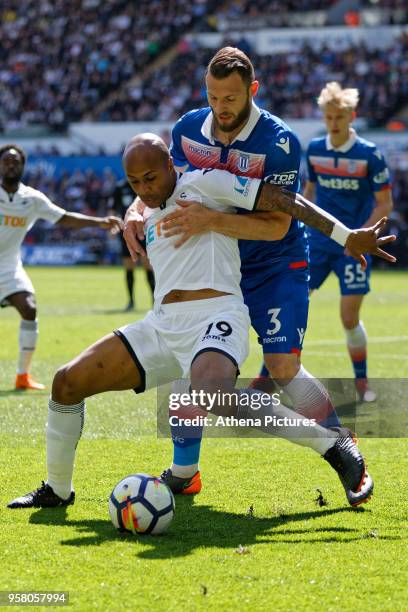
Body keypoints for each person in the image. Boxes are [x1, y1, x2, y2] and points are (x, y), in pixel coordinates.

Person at [8, 133, 393, 510]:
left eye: (151, 178)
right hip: (160, 325)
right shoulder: (143, 208)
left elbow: (282, 200)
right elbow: (140, 205)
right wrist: (132, 213)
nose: (143, 189)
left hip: (217, 315)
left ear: (171, 165)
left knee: (210, 393)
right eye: (134, 183)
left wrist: (345, 236)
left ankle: (332, 445)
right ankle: (58, 490)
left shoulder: (206, 183)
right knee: (66, 382)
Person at [123, 47, 389, 497]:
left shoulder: (279, 142)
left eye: (230, 98)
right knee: (196, 370)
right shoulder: (187, 129)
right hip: (215, 265)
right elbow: (161, 185)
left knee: (284, 367)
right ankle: (185, 473)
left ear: (252, 90)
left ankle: (342, 444)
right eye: (212, 97)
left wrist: (212, 220)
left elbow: (279, 222)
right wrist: (133, 209)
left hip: (274, 262)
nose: (220, 108)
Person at [0, 144, 123, 390]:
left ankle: (22, 376)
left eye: (16, 161)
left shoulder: (32, 199)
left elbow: (64, 217)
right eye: (6, 161)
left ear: (23, 166)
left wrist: (99, 223)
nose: (11, 165)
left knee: (29, 308)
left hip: (9, 267)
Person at [303, 82, 394, 402]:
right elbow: (309, 196)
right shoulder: (314, 149)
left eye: (339, 116)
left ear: (351, 116)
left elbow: (385, 203)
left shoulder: (370, 155)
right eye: (328, 117)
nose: (333, 123)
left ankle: (361, 384)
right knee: (293, 304)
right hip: (318, 242)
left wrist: (361, 236)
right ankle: (263, 378)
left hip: (353, 249)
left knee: (348, 318)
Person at [109, 177, 154, 311]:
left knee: (147, 265)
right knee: (129, 266)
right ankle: (131, 301)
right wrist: (112, 227)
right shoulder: (119, 187)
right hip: (126, 231)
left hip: (143, 230)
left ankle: (155, 301)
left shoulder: (144, 184)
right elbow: (112, 209)